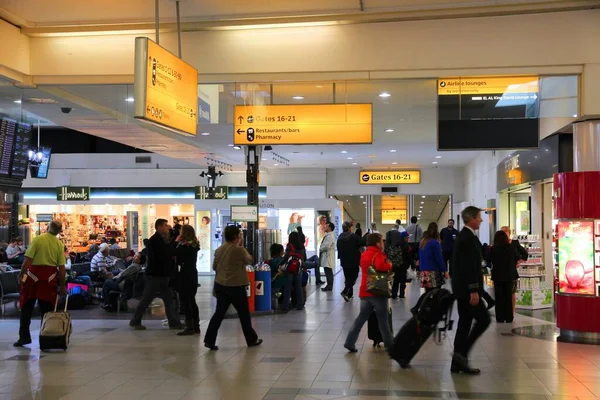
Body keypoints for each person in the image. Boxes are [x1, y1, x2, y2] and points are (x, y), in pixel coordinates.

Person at [204, 226, 262, 350]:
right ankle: (251, 340)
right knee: (244, 314)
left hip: (220, 285)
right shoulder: (239, 250)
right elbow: (250, 260)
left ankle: (209, 340)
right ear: (236, 236)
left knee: (219, 313)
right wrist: (242, 247)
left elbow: (215, 267)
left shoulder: (219, 249)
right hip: (236, 286)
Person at [450, 206, 491, 375]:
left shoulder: (466, 237)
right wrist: (474, 290)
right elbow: (468, 267)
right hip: (468, 291)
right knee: (484, 320)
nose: (481, 220)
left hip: (463, 290)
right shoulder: (466, 238)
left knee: (465, 323)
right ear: (472, 218)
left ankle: (457, 362)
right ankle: (461, 354)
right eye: (479, 217)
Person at [14, 220, 67, 347]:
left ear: (48, 227)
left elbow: (28, 259)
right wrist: (63, 285)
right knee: (47, 311)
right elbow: (61, 267)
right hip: (49, 279)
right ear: (59, 231)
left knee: (26, 307)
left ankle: (24, 337)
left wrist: (21, 274)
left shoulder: (38, 240)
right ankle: (46, 338)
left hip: (33, 278)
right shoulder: (59, 244)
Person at [129, 219, 183, 330]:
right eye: (165, 225)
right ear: (158, 227)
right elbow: (165, 254)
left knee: (169, 299)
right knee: (147, 299)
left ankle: (174, 322)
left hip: (163, 275)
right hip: (155, 275)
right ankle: (135, 320)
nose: (168, 227)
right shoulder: (155, 240)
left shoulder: (161, 240)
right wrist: (175, 242)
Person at [343, 233, 394, 352]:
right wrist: (389, 264)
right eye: (382, 241)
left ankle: (349, 342)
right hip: (377, 291)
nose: (383, 243)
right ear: (377, 243)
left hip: (365, 290)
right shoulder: (378, 254)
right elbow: (380, 266)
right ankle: (390, 345)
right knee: (383, 320)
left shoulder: (365, 253)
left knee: (361, 319)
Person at [487, 231, 519, 323]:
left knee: (499, 297)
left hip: (497, 275)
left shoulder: (494, 249)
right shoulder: (511, 248)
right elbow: (517, 257)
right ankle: (509, 317)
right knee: (508, 296)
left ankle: (500, 317)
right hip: (509, 275)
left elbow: (488, 259)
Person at [174, 225, 200, 336]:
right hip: (193, 272)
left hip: (185, 273)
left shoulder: (183, 245)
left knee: (186, 300)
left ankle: (190, 326)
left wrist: (176, 242)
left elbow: (175, 253)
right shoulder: (194, 243)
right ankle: (196, 325)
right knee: (192, 300)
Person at [500, 226, 528, 315]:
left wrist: (518, 261)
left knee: (512, 292)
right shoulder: (499, 244)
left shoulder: (514, 243)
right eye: (502, 232)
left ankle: (512, 310)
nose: (504, 233)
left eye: (505, 231)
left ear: (509, 232)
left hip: (512, 271)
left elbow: (524, 254)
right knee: (503, 292)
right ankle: (504, 310)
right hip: (502, 271)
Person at [419, 222, 448, 291]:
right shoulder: (435, 243)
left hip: (424, 271)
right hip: (433, 271)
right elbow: (439, 258)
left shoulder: (422, 242)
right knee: (435, 294)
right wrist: (445, 271)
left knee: (428, 294)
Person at [337, 221, 361, 302]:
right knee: (353, 277)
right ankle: (345, 291)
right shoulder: (353, 236)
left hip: (344, 261)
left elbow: (338, 248)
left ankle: (349, 295)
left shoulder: (340, 237)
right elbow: (362, 242)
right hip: (354, 261)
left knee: (347, 278)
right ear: (349, 228)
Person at [280, 232, 304, 312]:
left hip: (290, 268)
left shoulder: (289, 245)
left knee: (288, 288)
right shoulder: (301, 246)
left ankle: (285, 306)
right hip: (298, 269)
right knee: (298, 287)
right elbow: (304, 258)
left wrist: (281, 263)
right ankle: (299, 305)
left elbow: (286, 256)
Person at [389, 231, 415, 299]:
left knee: (396, 280)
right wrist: (413, 265)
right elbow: (408, 256)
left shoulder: (396, 244)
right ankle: (401, 294)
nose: (408, 239)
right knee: (403, 280)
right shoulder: (406, 245)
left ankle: (394, 294)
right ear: (404, 238)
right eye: (407, 238)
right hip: (403, 265)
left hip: (396, 265)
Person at [320, 222, 336, 292]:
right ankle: (329, 285)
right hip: (327, 256)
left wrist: (320, 248)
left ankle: (329, 286)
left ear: (329, 228)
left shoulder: (330, 236)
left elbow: (327, 246)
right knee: (328, 271)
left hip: (328, 256)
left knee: (328, 272)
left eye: (326, 226)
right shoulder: (329, 235)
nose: (325, 227)